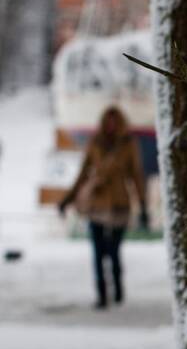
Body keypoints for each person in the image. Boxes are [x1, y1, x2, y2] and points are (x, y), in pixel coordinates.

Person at [58, 106, 147, 309]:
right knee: (98, 252)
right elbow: (82, 174)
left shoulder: (128, 143)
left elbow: (136, 175)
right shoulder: (95, 142)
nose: (111, 126)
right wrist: (67, 199)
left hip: (119, 204)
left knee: (114, 251)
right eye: (108, 121)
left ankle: (117, 291)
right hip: (96, 204)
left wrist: (142, 205)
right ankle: (102, 295)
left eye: (114, 122)